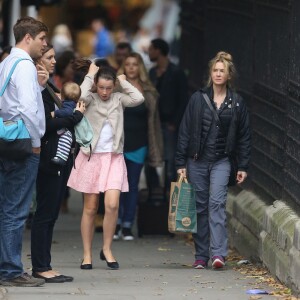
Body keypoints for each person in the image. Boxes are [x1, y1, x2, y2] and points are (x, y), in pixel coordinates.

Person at [175, 51, 251, 269]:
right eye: (215, 70)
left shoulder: (237, 103)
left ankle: (218, 254)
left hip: (221, 161)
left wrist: (243, 165)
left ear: (229, 75)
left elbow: (245, 135)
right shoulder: (198, 99)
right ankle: (201, 256)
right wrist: (181, 164)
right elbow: (185, 131)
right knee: (199, 207)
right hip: (197, 161)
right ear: (211, 73)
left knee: (216, 203)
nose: (218, 74)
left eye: (222, 71)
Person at [67, 64, 144, 270]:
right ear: (96, 85)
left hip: (113, 158)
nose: (104, 92)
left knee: (111, 205)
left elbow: (139, 98)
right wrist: (90, 75)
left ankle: (107, 249)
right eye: (101, 87)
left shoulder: (119, 99)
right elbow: (79, 95)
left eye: (109, 88)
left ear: (114, 87)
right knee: (91, 208)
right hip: (91, 158)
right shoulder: (90, 98)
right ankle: (86, 254)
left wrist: (123, 80)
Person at [30, 44, 85, 283]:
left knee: (51, 214)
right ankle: (41, 266)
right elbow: (41, 125)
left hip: (60, 158)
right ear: (38, 61)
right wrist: (74, 118)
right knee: (45, 213)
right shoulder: (38, 89)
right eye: (49, 57)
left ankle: (45, 264)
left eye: (53, 57)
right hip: (48, 159)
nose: (54, 61)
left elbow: (54, 118)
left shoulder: (50, 86)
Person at [0, 16, 48, 287]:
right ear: (27, 37)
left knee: (6, 207)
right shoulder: (26, 65)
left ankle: (6, 266)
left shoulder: (6, 62)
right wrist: (36, 141)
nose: (45, 44)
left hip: (5, 140)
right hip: (23, 144)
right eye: (42, 39)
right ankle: (11, 271)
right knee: (16, 210)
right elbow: (29, 108)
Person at [114, 52, 163, 241]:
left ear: (140, 67)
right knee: (117, 185)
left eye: (135, 64)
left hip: (140, 143)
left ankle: (127, 225)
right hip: (118, 144)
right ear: (124, 67)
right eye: (128, 64)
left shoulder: (148, 91)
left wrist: (155, 147)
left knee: (132, 184)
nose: (132, 67)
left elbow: (155, 122)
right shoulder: (116, 89)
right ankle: (116, 221)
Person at [148, 38, 188, 194]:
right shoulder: (152, 72)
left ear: (158, 51)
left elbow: (183, 99)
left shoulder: (176, 72)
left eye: (151, 49)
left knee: (170, 161)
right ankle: (155, 192)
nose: (149, 52)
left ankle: (169, 196)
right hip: (153, 123)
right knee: (151, 160)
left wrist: (174, 122)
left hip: (169, 123)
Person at [51, 82, 81, 165]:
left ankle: (62, 157)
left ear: (62, 96)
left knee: (65, 139)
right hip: (71, 130)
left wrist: (55, 113)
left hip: (68, 131)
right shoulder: (74, 103)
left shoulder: (68, 105)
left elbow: (67, 112)